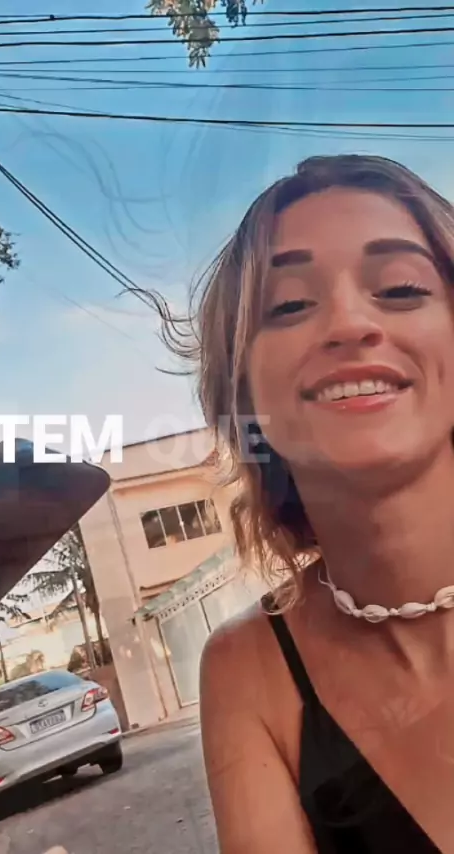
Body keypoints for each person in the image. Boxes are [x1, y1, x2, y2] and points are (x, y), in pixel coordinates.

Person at [166, 154, 454, 852]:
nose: (349, 324)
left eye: (402, 287)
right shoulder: (247, 671)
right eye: (290, 305)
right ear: (243, 393)